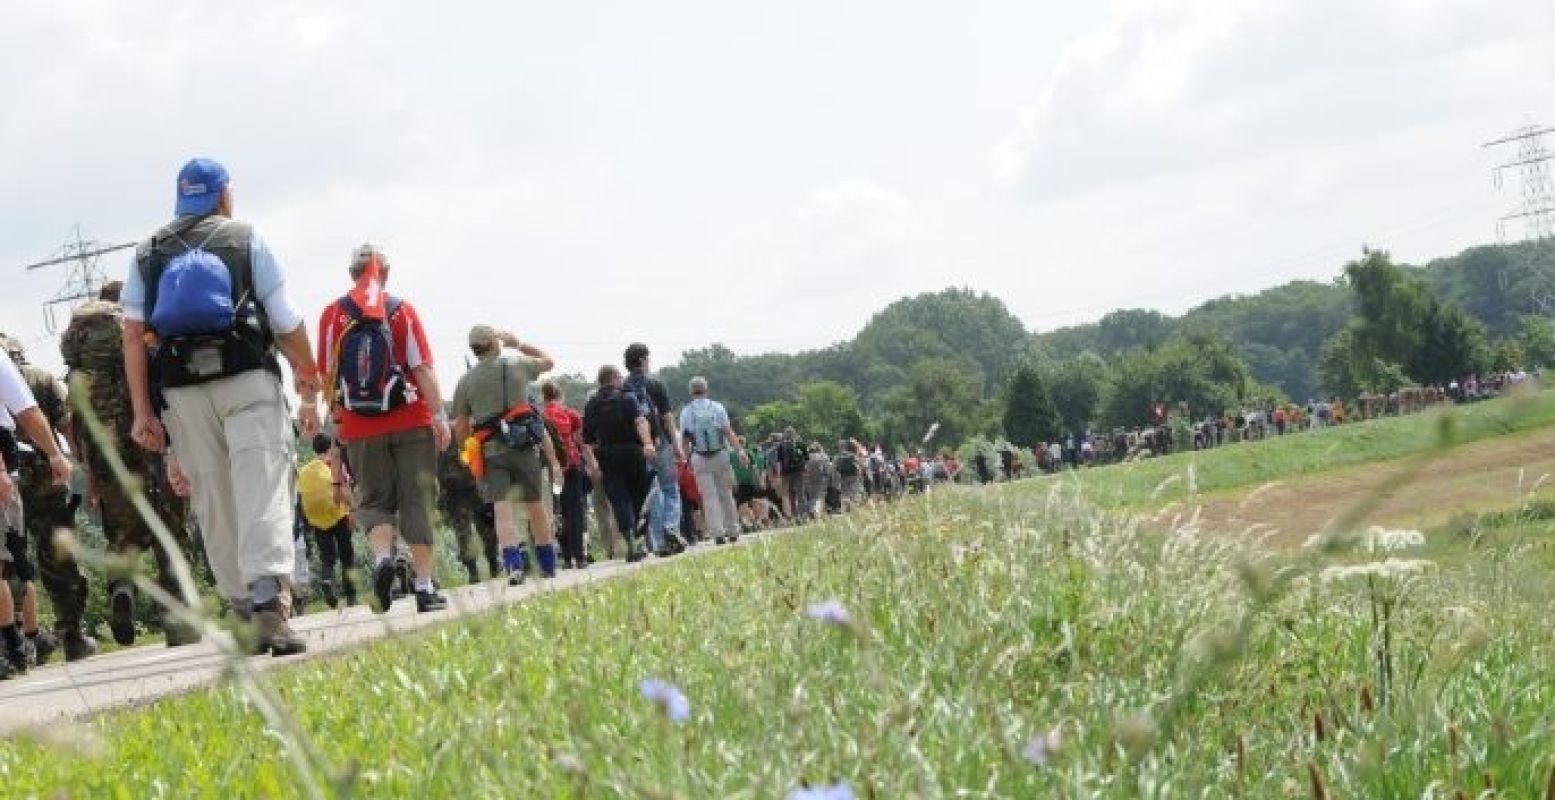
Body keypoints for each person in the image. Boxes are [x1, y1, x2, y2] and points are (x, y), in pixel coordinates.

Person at [121, 158, 318, 656]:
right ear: (224, 195)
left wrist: (143, 412)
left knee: (213, 497)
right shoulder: (246, 238)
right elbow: (285, 318)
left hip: (183, 391)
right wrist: (308, 372)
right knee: (264, 484)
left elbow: (131, 335)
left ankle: (241, 608)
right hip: (247, 378)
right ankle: (271, 601)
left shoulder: (148, 252)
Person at [60, 283, 203, 649]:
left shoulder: (82, 359)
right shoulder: (139, 334)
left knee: (121, 535)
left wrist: (88, 469)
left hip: (106, 451)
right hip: (153, 439)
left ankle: (122, 587)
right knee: (171, 529)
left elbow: (76, 420)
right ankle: (180, 622)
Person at [317, 244, 450, 613]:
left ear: (351, 275)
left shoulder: (332, 315)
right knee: (417, 501)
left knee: (374, 501)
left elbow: (326, 378)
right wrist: (439, 417)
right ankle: (424, 588)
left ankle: (382, 560)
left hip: (360, 426)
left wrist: (337, 427)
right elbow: (422, 368)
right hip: (411, 417)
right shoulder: (402, 311)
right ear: (384, 274)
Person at [1, 335, 90, 664]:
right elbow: (65, 425)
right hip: (44, 481)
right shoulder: (41, 378)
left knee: (11, 558)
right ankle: (71, 634)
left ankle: (21, 638)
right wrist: (74, 460)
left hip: (10, 475)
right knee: (56, 554)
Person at [450, 325, 559, 582]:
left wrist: (468, 451)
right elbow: (549, 362)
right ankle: (547, 563)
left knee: (502, 509)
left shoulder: (465, 382)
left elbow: (461, 426)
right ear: (495, 343)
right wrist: (518, 343)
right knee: (536, 506)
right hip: (522, 446)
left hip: (490, 451)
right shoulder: (516, 363)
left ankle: (513, 565)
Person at [582, 365, 655, 562]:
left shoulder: (592, 404)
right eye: (620, 376)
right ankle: (637, 537)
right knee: (637, 495)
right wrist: (647, 443)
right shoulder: (627, 397)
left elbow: (586, 439)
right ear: (614, 378)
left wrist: (592, 465)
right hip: (632, 452)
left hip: (607, 456)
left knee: (619, 499)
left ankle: (631, 542)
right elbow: (640, 421)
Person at [623, 343, 687, 557]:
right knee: (670, 488)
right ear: (641, 360)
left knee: (653, 492)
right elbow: (668, 417)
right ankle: (672, 529)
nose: (649, 362)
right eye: (648, 358)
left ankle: (658, 541)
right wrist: (677, 446)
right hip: (660, 443)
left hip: (638, 447)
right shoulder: (655, 384)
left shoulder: (624, 386)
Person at [678, 377, 748, 546]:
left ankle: (717, 533)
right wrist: (740, 451)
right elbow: (728, 432)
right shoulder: (717, 407)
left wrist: (686, 460)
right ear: (706, 389)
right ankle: (733, 529)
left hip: (700, 458)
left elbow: (685, 440)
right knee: (726, 494)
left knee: (709, 497)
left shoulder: (686, 411)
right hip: (720, 456)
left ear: (691, 392)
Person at [298, 434, 357, 608]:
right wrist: (352, 509)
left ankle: (326, 579)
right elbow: (343, 487)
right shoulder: (334, 464)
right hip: (338, 514)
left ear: (314, 449)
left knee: (327, 558)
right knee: (347, 556)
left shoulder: (306, 470)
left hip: (317, 519)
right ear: (330, 447)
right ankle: (351, 596)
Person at [540, 380, 594, 570]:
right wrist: (592, 464)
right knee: (576, 511)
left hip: (553, 472)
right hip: (572, 467)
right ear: (560, 395)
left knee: (559, 511)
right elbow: (581, 442)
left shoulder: (540, 416)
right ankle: (580, 557)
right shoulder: (570, 414)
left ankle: (566, 557)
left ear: (543, 397)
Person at [437, 440, 499, 583]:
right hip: (457, 490)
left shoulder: (441, 432)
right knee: (469, 532)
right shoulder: (439, 433)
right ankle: (479, 569)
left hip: (469, 487)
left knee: (478, 529)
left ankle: (489, 565)